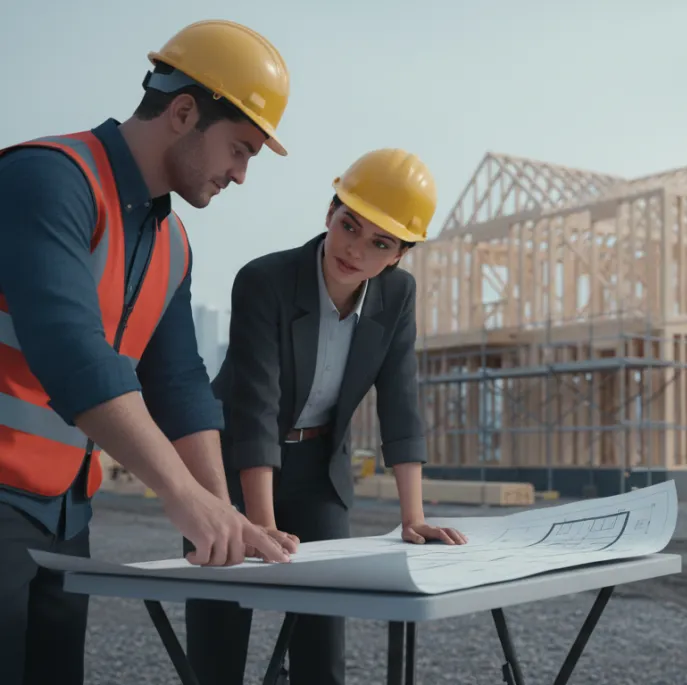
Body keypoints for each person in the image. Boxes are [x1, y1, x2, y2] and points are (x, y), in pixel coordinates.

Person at [0, 19, 301, 685]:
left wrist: (223, 514)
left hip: (61, 513)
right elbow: (73, 352)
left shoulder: (172, 244)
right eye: (240, 150)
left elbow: (180, 385)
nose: (242, 175)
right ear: (184, 112)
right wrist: (179, 496)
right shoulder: (48, 180)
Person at [184, 148, 468, 685]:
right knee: (219, 636)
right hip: (227, 468)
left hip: (318, 470)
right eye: (349, 225)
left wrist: (413, 517)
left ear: (399, 255)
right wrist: (260, 525)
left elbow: (400, 398)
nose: (355, 249)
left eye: (380, 242)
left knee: (322, 644)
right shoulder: (264, 280)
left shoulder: (397, 296)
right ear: (330, 212)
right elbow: (256, 407)